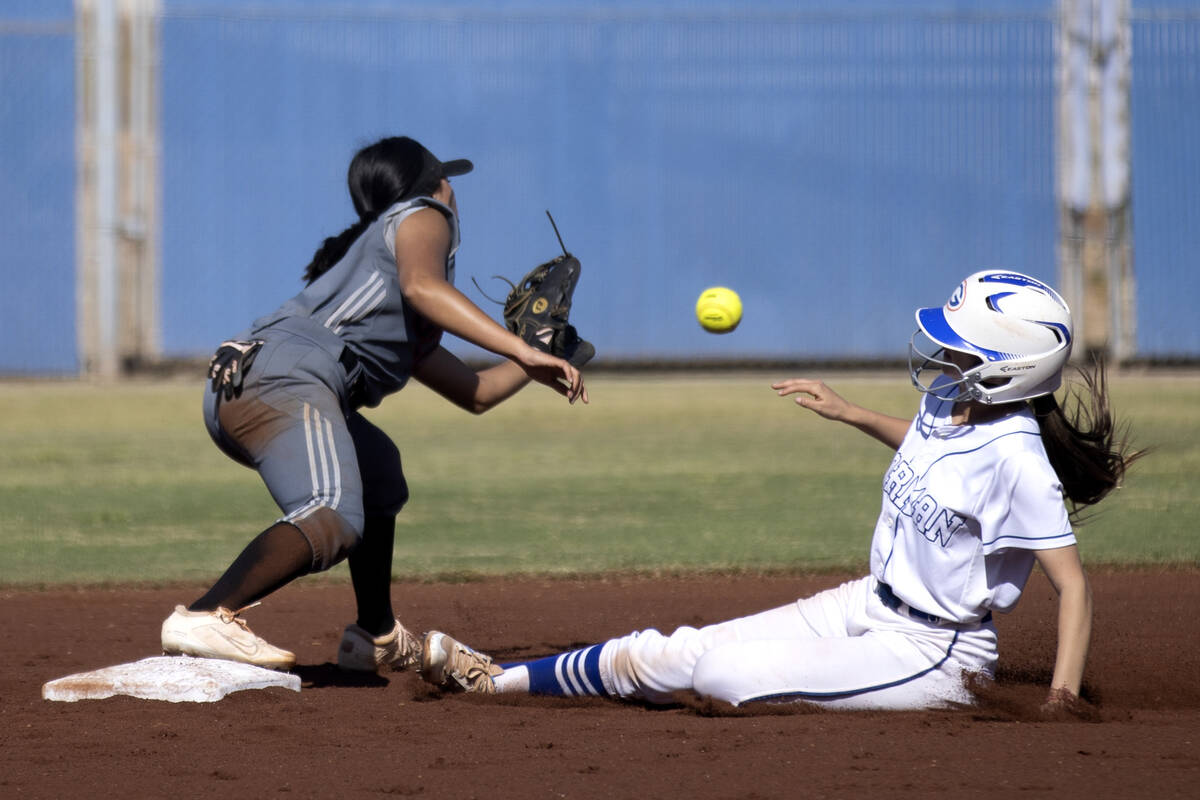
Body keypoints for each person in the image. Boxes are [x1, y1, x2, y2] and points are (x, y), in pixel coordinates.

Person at [419, 269, 1140, 711]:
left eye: (963, 344)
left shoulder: (1019, 459)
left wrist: (1061, 700)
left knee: (724, 676)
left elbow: (1071, 588)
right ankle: (499, 682)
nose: (945, 350)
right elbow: (931, 453)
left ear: (1009, 368)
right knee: (675, 650)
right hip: (865, 602)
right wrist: (851, 412)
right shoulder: (950, 399)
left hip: (933, 651)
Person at [160, 136, 588, 672]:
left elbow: (475, 393)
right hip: (286, 375)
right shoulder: (423, 213)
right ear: (432, 186)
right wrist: (519, 345)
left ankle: (376, 634)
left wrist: (537, 358)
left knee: (379, 471)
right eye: (447, 180)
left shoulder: (387, 300)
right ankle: (209, 613)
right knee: (334, 512)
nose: (451, 193)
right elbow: (423, 285)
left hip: (252, 381)